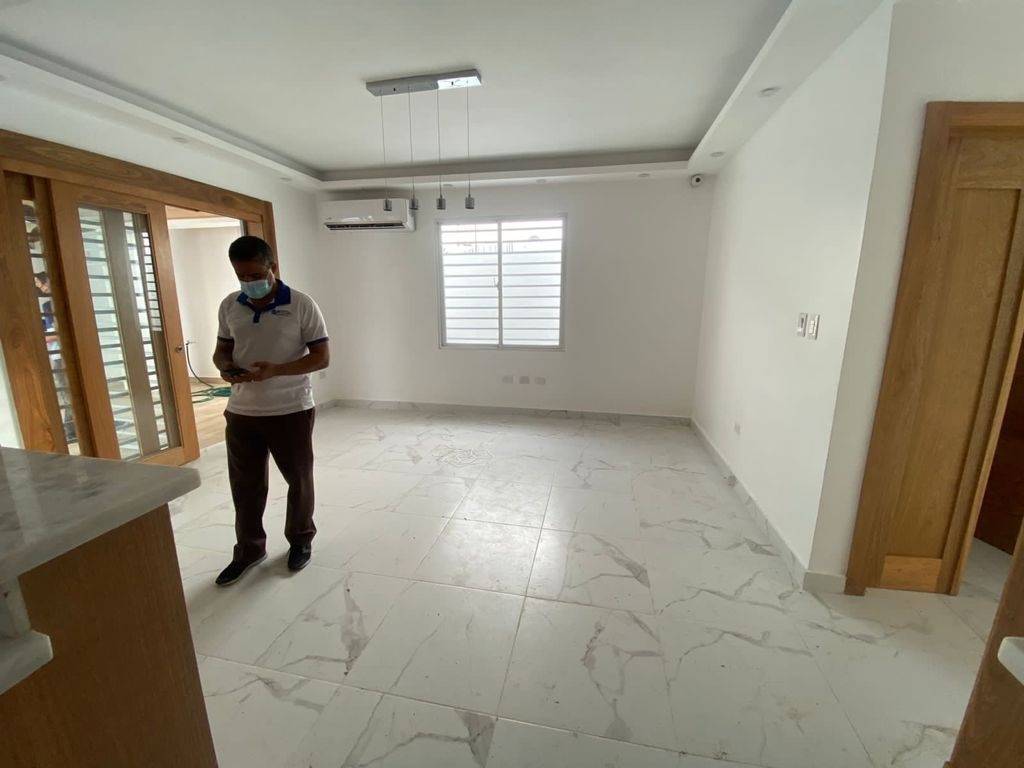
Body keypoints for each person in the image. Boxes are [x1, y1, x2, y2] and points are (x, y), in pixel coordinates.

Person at [212, 235, 330, 586]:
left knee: (299, 480)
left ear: (272, 268)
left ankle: (301, 540)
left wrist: (276, 370)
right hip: (242, 412)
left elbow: (321, 357)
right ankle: (249, 549)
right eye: (241, 276)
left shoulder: (301, 304)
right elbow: (221, 350)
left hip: (290, 409)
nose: (249, 282)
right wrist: (224, 367)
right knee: (245, 486)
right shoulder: (230, 305)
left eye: (255, 275)